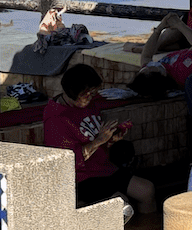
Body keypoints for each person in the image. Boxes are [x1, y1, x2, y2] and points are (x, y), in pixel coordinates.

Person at [46, 62, 155, 214]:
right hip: (81, 178)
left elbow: (95, 139)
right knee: (121, 203)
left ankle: (150, 228)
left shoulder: (88, 104)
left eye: (93, 93)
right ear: (74, 93)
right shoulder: (56, 118)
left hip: (103, 168)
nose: (92, 97)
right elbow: (69, 161)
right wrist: (99, 140)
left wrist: (111, 139)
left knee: (147, 190)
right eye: (88, 94)